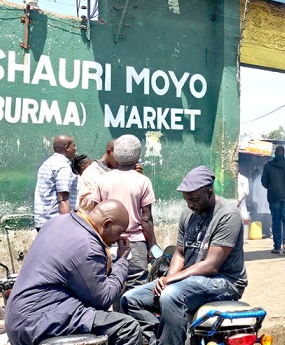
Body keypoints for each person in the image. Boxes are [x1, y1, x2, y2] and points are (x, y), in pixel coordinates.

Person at [121, 166, 247, 345]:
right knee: (130, 299)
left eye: (194, 200)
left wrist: (170, 281)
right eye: (186, 200)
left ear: (209, 192)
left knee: (171, 295)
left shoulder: (228, 215)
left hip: (224, 281)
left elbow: (211, 265)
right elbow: (180, 253)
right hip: (190, 279)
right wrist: (167, 278)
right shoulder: (188, 213)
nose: (189, 204)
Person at [5, 200, 141, 345]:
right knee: (128, 328)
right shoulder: (88, 247)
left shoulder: (57, 221)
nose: (118, 239)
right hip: (37, 322)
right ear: (106, 224)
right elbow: (104, 299)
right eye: (119, 233)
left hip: (18, 318)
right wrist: (122, 260)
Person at [93, 134, 156, 290]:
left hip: (107, 242)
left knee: (112, 286)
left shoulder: (102, 180)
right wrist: (152, 245)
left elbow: (95, 214)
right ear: (138, 155)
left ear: (115, 153)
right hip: (135, 244)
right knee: (136, 290)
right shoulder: (143, 181)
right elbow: (146, 219)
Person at [34, 134, 78, 230]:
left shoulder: (47, 163)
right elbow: (63, 199)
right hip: (56, 223)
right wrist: (66, 227)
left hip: (43, 221)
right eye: (73, 146)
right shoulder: (63, 166)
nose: (75, 149)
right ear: (67, 148)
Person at [262, 145, 285, 254]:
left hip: (274, 197)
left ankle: (277, 247)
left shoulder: (268, 166)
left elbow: (264, 182)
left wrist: (273, 187)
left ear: (275, 153)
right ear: (284, 152)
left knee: (276, 220)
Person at [77, 138, 117, 210]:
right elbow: (84, 203)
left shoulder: (123, 170)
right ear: (109, 152)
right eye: (118, 156)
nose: (120, 159)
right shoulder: (92, 172)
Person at [249, 164, 272, 238]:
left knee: (269, 218)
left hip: (268, 202)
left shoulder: (271, 179)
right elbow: (254, 192)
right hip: (259, 202)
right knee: (261, 218)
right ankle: (263, 233)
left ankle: (270, 233)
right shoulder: (257, 179)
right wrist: (254, 201)